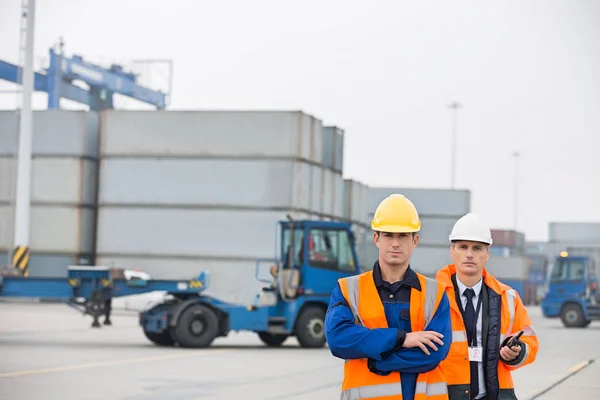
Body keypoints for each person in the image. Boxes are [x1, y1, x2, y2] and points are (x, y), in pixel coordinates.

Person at [325, 194, 453, 400]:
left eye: (403, 235)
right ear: (376, 238)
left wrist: (373, 359)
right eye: (388, 235)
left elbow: (434, 354)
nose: (395, 243)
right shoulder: (349, 289)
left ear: (415, 240)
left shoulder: (435, 293)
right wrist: (401, 339)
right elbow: (338, 340)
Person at [435, 213, 539, 400]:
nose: (469, 254)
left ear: (487, 253)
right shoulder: (432, 296)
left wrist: (517, 352)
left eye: (477, 248)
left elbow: (531, 343)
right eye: (463, 247)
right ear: (452, 251)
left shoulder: (507, 297)